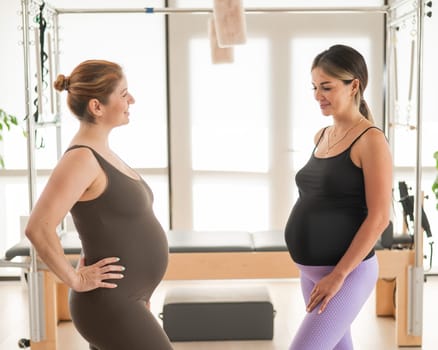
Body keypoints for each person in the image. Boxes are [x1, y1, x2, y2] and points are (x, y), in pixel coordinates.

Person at [25, 60, 173, 350]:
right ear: (97, 106)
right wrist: (75, 279)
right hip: (110, 304)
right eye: (123, 93)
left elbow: (103, 219)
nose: (131, 100)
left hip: (125, 299)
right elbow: (38, 228)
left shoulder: (102, 152)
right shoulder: (81, 159)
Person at [284, 44, 393, 350]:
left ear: (354, 85)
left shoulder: (370, 139)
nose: (319, 95)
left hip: (347, 274)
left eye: (327, 87)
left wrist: (339, 275)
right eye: (315, 87)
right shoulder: (321, 135)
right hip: (310, 272)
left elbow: (380, 216)